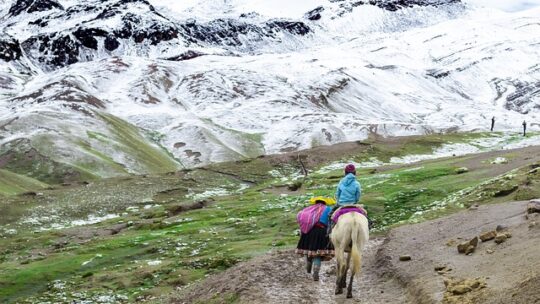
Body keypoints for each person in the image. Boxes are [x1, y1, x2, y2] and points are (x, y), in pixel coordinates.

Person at [296, 196, 335, 281]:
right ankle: (316, 272)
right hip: (321, 232)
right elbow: (331, 221)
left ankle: (308, 265)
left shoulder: (309, 209)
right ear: (325, 202)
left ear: (315, 202)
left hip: (308, 231)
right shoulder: (328, 209)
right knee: (318, 253)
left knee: (309, 249)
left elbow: (300, 215)